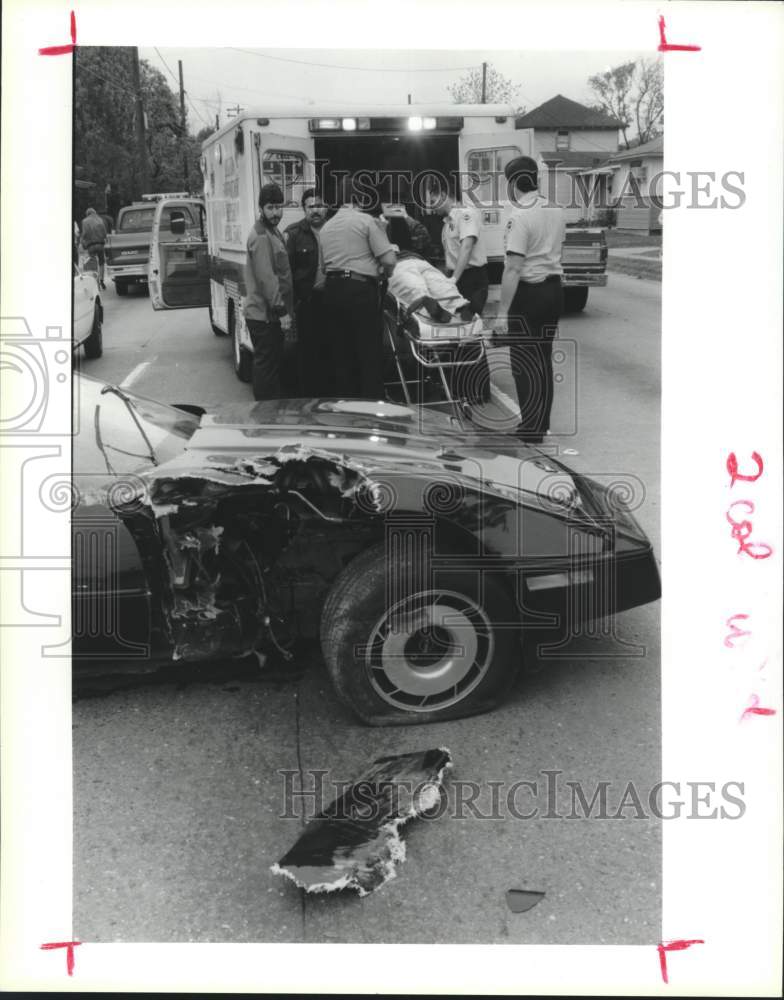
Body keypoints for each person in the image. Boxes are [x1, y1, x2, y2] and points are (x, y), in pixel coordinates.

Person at [493, 155, 566, 444]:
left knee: (524, 362)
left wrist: (502, 313)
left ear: (512, 183)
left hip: (530, 293)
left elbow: (513, 267)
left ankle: (531, 428)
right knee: (543, 359)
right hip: (553, 289)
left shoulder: (519, 214)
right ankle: (541, 422)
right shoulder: (555, 208)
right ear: (535, 178)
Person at [319, 175, 397, 398]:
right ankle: (371, 409)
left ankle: (346, 407)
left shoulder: (326, 228)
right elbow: (389, 260)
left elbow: (323, 268)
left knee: (341, 354)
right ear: (360, 198)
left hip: (332, 292)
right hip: (360, 291)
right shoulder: (366, 221)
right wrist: (384, 274)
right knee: (368, 353)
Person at [244, 183, 294, 401]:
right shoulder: (262, 236)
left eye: (279, 207)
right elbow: (267, 279)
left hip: (268, 314)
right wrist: (282, 311)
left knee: (272, 366)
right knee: (266, 367)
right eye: (271, 208)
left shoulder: (273, 232)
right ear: (261, 209)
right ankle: (265, 417)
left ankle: (271, 414)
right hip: (265, 315)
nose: (276, 212)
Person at [385, 216, 472, 321]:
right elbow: (425, 239)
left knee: (416, 292)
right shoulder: (406, 222)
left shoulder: (373, 226)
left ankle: (428, 308)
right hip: (420, 261)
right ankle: (459, 306)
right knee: (442, 287)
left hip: (398, 265)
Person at [284, 188, 328, 395]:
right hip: (307, 302)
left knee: (330, 348)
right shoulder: (293, 234)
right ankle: (308, 397)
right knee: (307, 352)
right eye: (311, 206)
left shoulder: (334, 230)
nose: (315, 210)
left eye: (319, 205)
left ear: (326, 208)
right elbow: (287, 273)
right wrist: (291, 307)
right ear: (304, 209)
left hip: (331, 300)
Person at [428, 179, 489, 316]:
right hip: (458, 277)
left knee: (468, 323)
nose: (432, 207)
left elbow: (466, 246)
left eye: (433, 202)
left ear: (443, 196)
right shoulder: (448, 222)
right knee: (458, 323)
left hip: (471, 278)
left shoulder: (466, 214)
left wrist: (453, 280)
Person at [80, 207, 107, 288]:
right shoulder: (100, 219)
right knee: (101, 262)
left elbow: (84, 234)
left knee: (93, 263)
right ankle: (102, 280)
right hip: (100, 244)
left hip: (91, 246)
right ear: (94, 212)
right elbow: (105, 234)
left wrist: (83, 243)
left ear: (87, 214)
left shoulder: (84, 221)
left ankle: (96, 282)